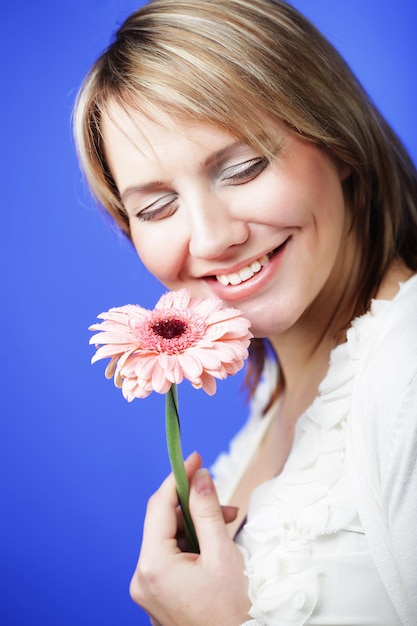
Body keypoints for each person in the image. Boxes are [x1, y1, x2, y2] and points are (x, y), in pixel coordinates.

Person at [73, 0, 417, 623]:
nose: (209, 239)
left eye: (243, 167)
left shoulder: (408, 375)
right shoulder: (281, 397)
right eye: (155, 209)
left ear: (337, 140)